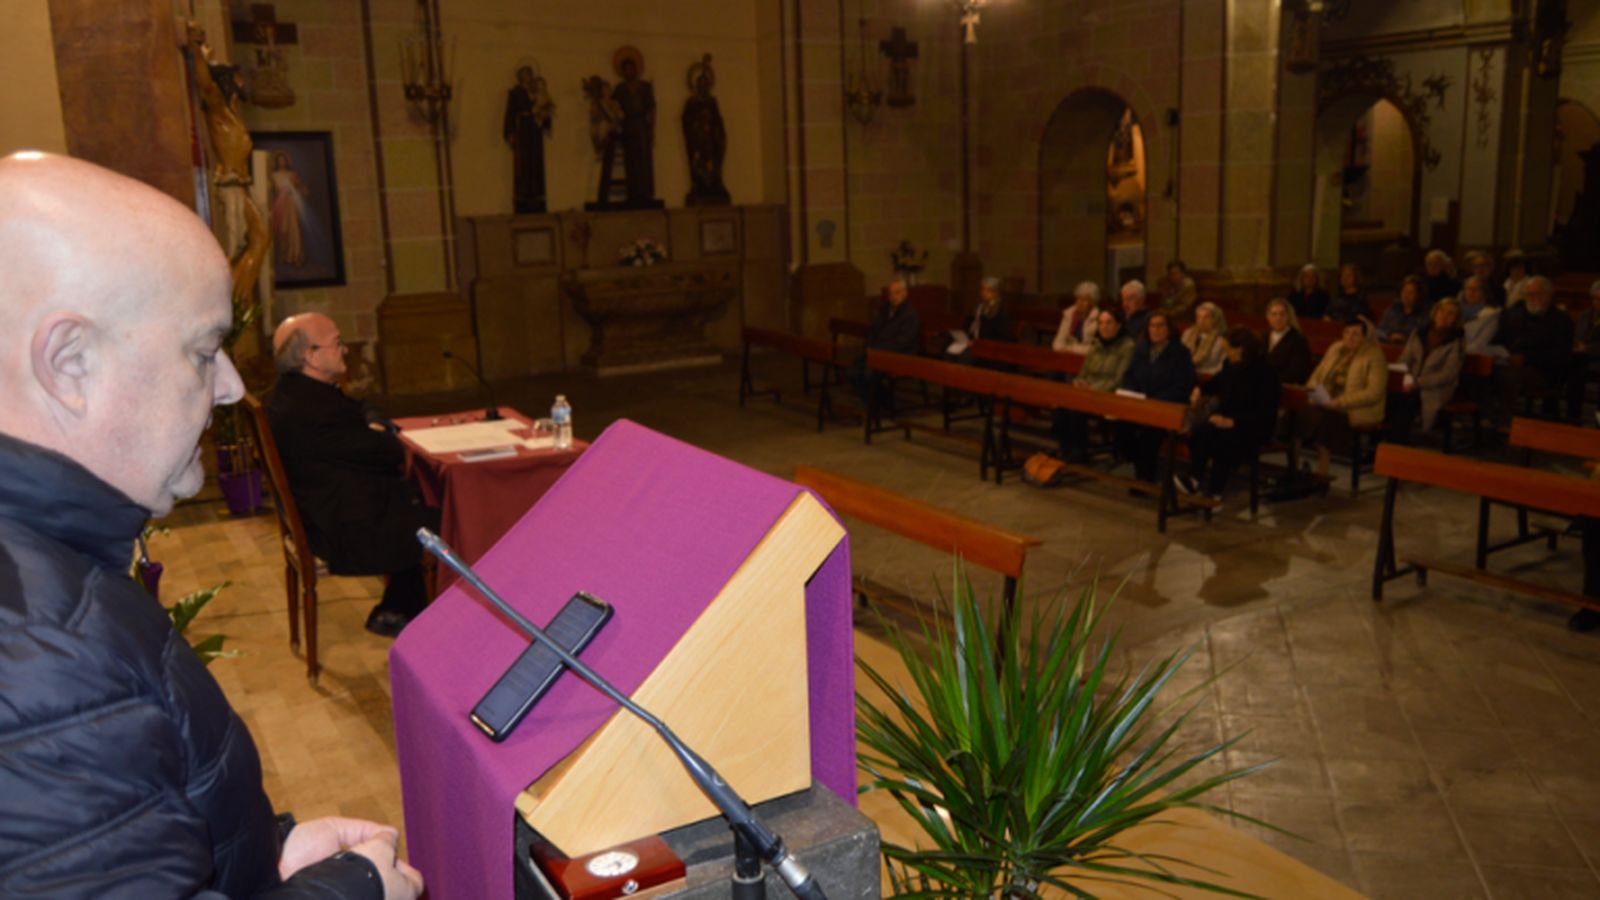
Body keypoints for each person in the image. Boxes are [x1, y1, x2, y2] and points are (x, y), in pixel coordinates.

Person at [0, 152, 422, 898]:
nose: (229, 386)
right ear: (70, 364)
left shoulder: (47, 571)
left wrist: (267, 853)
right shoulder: (40, 664)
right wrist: (354, 889)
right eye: (202, 350)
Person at [268, 313, 441, 638]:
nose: (345, 350)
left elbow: (364, 408)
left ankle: (397, 607)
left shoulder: (301, 392)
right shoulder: (308, 411)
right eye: (337, 343)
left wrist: (375, 426)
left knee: (423, 506)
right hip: (345, 531)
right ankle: (423, 624)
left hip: (342, 510)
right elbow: (387, 452)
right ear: (310, 355)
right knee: (450, 521)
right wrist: (378, 432)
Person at [1175, 328, 1280, 502]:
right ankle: (1194, 480)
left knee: (1223, 439)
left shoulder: (1265, 373)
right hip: (1225, 420)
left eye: (1227, 349)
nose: (1225, 353)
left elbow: (1265, 411)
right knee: (1202, 431)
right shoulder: (1230, 365)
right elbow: (1216, 383)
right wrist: (1199, 390)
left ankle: (1215, 492)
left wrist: (1233, 421)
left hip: (1252, 425)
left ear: (1240, 349)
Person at [1294, 316, 1388, 479]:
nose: (1350, 337)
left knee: (1326, 420)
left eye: (1356, 334)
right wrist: (1311, 392)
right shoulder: (1336, 348)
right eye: (1347, 333)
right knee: (1298, 414)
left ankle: (1322, 473)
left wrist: (1341, 401)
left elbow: (1374, 392)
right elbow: (1317, 375)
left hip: (1357, 408)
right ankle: (1293, 467)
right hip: (1328, 401)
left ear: (1364, 337)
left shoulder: (1374, 355)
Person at [1117, 312, 1195, 481]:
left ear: (1169, 329)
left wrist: (1154, 401)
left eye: (1161, 325)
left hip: (1166, 406)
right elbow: (1129, 375)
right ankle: (1136, 462)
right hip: (1141, 403)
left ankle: (1144, 476)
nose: (1156, 330)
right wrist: (1133, 394)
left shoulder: (1180, 353)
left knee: (1148, 431)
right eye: (1152, 326)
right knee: (1122, 424)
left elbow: (1182, 386)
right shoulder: (1142, 349)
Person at [1489, 275, 1573, 425]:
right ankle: (1487, 415)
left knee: (1507, 375)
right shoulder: (1513, 315)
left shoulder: (1561, 320)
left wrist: (1526, 359)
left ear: (1549, 295)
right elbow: (1498, 339)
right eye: (1529, 294)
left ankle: (1507, 423)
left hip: (1544, 371)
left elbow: (1560, 355)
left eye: (1538, 293)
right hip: (1509, 361)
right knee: (1483, 370)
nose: (1533, 298)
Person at [1054, 308, 1134, 462]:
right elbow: (1084, 372)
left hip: (1110, 395)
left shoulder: (1127, 346)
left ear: (1118, 325)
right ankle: (1067, 449)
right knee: (1062, 404)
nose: (1104, 327)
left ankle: (1080, 452)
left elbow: (1119, 379)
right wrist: (1079, 382)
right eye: (1101, 323)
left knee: (1075, 407)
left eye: (1109, 323)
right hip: (1088, 392)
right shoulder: (1096, 345)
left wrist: (1091, 389)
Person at [1387, 298, 1465, 444]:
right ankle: (1380, 439)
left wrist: (1417, 383)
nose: (1444, 315)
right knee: (1389, 392)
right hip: (1411, 381)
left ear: (1456, 319)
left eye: (1451, 314)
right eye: (1442, 311)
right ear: (1435, 312)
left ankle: (1398, 443)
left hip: (1435, 387)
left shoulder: (1457, 341)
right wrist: (1403, 377)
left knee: (1407, 399)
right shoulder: (1419, 333)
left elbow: (1448, 374)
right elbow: (1405, 359)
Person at [848, 277, 922, 408]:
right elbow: (873, 331)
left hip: (899, 356)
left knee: (869, 373)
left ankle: (883, 404)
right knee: (852, 371)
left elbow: (902, 342)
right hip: (877, 353)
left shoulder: (910, 314)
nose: (893, 296)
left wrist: (878, 351)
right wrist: (869, 346)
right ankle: (877, 402)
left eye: (897, 292)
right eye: (890, 293)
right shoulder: (885, 310)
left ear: (905, 293)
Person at [503, 65, 554, 214]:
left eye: (530, 73)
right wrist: (510, 132)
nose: (528, 76)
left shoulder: (536, 91)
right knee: (523, 165)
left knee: (536, 163)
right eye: (525, 73)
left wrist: (545, 120)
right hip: (522, 131)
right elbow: (509, 113)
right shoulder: (515, 93)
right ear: (520, 76)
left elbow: (544, 107)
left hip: (535, 131)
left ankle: (537, 199)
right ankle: (523, 201)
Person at [1568, 279, 1600, 423]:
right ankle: (1573, 416)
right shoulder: (1585, 315)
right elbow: (1577, 334)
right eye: (1594, 299)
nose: (1596, 302)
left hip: (1597, 358)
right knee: (1572, 370)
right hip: (1581, 359)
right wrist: (1578, 345)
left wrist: (1588, 348)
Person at [268, 151, 307, 268]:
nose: (282, 162)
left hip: (291, 204)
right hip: (280, 205)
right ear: (277, 162)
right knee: (282, 230)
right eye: (279, 160)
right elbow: (272, 192)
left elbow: (300, 189)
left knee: (293, 229)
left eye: (283, 160)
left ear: (286, 161)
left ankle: (295, 256)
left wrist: (298, 188)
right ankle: (284, 256)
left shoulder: (292, 174)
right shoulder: (273, 175)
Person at [1263, 298, 1313, 384]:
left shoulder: (1298, 340)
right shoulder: (1264, 337)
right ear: (1268, 317)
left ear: (1288, 316)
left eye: (1282, 314)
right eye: (1274, 314)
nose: (1278, 318)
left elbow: (1296, 372)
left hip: (1284, 386)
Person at [1377, 275, 1431, 344]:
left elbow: (1423, 336)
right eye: (1404, 291)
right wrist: (1389, 336)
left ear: (1418, 295)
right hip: (1389, 345)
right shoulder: (1392, 310)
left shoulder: (1424, 314)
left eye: (1410, 292)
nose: (1406, 295)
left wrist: (1405, 337)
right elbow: (1379, 331)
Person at [1052, 281, 1100, 354]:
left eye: (1084, 300)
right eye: (1078, 299)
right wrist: (1063, 349)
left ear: (1092, 302)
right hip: (1066, 355)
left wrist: (1070, 349)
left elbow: (1095, 348)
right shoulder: (1069, 315)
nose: (1080, 302)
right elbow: (1058, 341)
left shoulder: (1098, 317)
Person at [1181, 301, 1228, 375]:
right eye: (1198, 317)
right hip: (1185, 376)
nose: (1201, 321)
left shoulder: (1221, 339)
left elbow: (1221, 366)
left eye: (1206, 317)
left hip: (1209, 379)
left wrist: (1202, 375)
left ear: (1214, 319)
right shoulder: (1188, 334)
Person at [1458, 274, 1502, 354]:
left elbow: (1480, 344)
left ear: (1484, 292)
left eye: (1476, 289)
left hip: (1471, 356)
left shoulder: (1491, 315)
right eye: (1468, 288)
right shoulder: (1454, 310)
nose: (1472, 292)